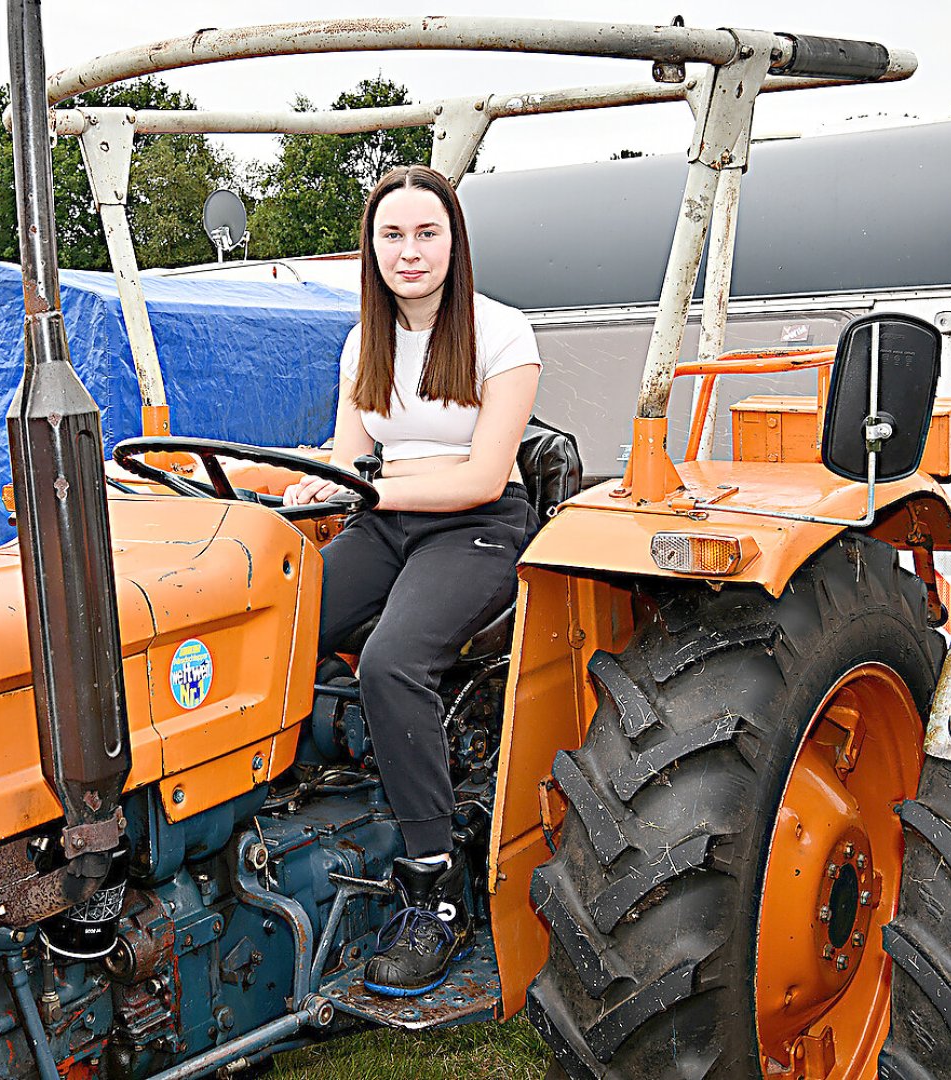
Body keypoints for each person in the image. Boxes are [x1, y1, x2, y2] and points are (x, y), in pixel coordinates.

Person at [284, 164, 542, 997]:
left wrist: (371, 486)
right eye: (391, 235)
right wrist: (317, 482)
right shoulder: (364, 339)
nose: (409, 251)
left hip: (476, 526)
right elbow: (347, 450)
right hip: (382, 521)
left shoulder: (504, 335)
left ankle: (434, 888)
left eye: (426, 232)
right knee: (278, 631)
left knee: (394, 660)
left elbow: (480, 474)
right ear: (371, 247)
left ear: (454, 241)